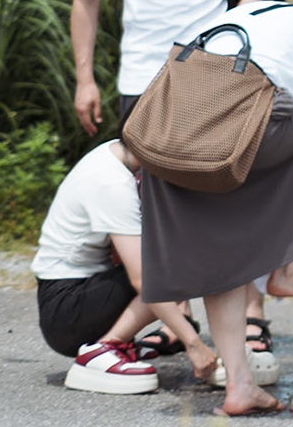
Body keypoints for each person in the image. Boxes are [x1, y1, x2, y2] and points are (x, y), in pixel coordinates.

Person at [68, 0, 288, 372]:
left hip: (218, 72)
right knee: (158, 209)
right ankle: (181, 324)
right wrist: (84, 77)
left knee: (232, 193)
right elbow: (86, 0)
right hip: (144, 78)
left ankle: (252, 313)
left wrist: (241, 18)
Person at [139, 0, 293, 418]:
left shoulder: (260, 14)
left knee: (222, 256)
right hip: (223, 115)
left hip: (165, 124)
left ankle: (240, 385)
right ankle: (288, 267)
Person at [33, 137, 219, 394]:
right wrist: (195, 345)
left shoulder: (113, 155)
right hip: (67, 313)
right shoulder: (112, 183)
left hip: (76, 295)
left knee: (179, 255)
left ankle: (114, 342)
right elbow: (144, 279)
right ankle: (106, 347)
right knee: (175, 264)